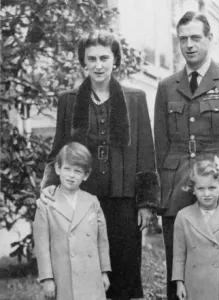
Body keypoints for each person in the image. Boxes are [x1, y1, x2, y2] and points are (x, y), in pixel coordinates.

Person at [40, 29, 160, 300]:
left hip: (124, 199)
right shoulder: (68, 101)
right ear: (83, 62)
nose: (98, 65)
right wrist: (50, 185)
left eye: (104, 58)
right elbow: (59, 148)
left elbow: (145, 151)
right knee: (85, 270)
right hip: (82, 199)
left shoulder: (135, 98)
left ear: (115, 60)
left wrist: (145, 202)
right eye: (91, 58)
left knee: (124, 272)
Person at [154, 12, 219, 300]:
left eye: (195, 37)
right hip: (176, 193)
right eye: (183, 39)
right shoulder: (166, 87)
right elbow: (159, 149)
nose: (189, 45)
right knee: (179, 276)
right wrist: (157, 200)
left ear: (210, 39)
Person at [33, 142, 111, 300]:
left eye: (77, 171)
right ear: (57, 169)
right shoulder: (47, 204)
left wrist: (104, 272)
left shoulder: (92, 202)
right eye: (67, 169)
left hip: (91, 276)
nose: (71, 175)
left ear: (86, 175)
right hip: (63, 275)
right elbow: (41, 246)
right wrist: (47, 278)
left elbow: (102, 241)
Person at [172, 158, 219, 300]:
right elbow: (179, 255)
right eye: (201, 189)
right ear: (193, 190)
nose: (206, 194)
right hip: (194, 284)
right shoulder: (183, 217)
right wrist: (179, 283)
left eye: (212, 188)